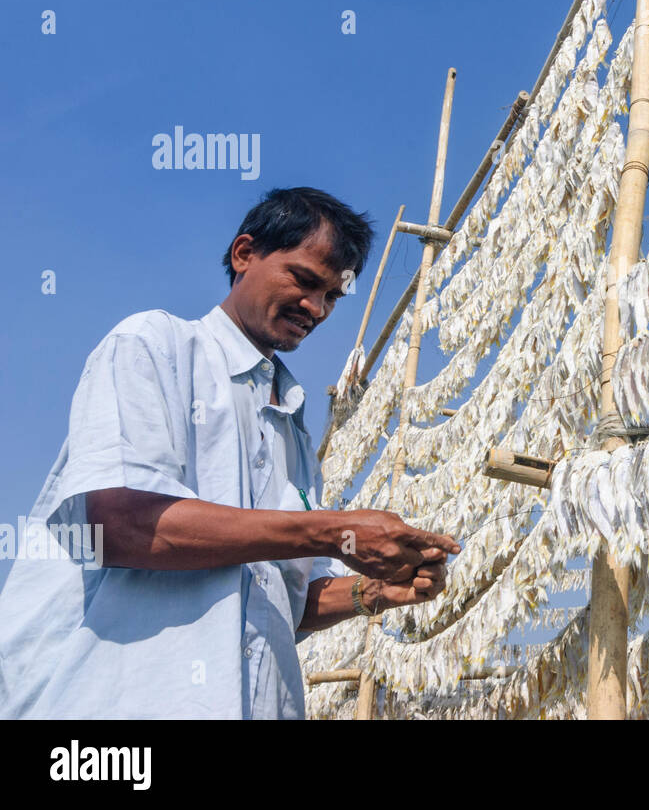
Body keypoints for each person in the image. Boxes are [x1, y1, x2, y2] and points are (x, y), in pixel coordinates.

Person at [0, 186, 459, 718]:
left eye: (333, 296)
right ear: (244, 254)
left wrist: (372, 591)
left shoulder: (294, 431)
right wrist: (332, 531)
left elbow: (279, 596)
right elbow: (117, 524)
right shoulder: (156, 346)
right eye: (305, 280)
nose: (316, 308)